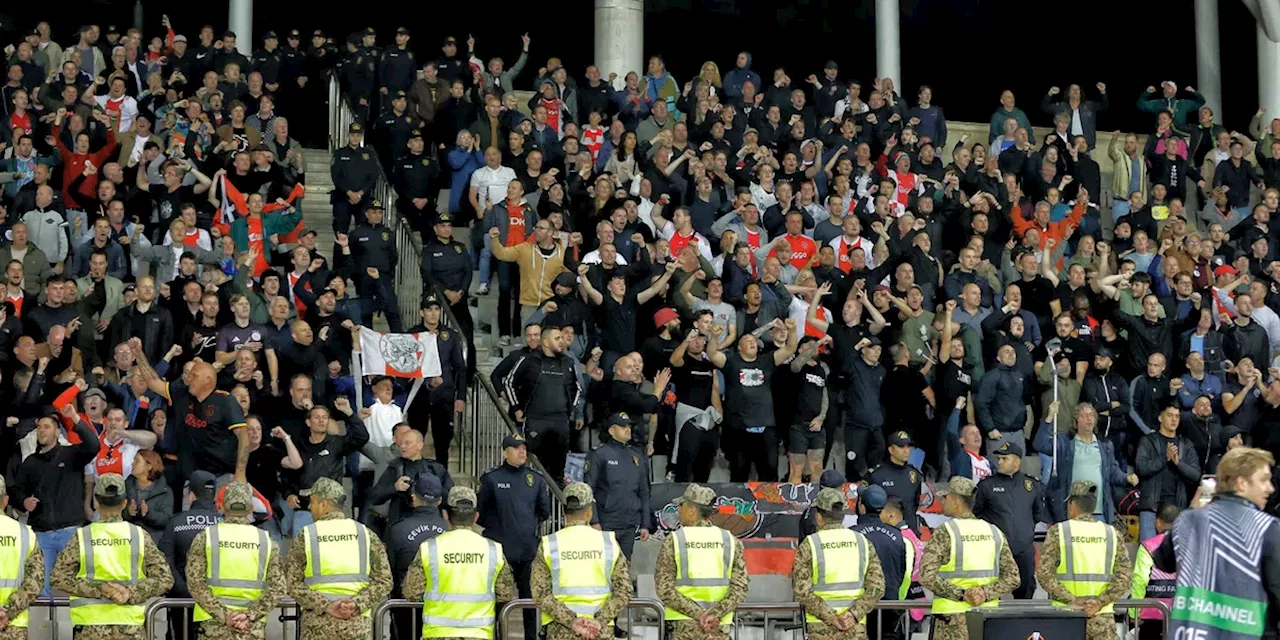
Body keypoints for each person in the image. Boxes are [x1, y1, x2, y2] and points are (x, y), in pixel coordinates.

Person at [1151, 447, 1280, 638]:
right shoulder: (1266, 527)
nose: (1271, 488)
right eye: (1263, 480)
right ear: (1241, 483)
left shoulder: (1187, 520)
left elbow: (1163, 561)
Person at [50, 473, 174, 639]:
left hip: (91, 628)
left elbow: (57, 577)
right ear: (124, 503)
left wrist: (101, 588)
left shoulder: (82, 536)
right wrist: (129, 593)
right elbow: (165, 579)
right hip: (130, 627)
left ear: (96, 501)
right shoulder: (139, 535)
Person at [401, 486, 518, 639]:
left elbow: (411, 592)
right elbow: (505, 594)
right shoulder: (493, 550)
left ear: (445, 515)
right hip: (480, 634)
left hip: (437, 634)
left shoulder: (430, 548)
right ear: (476, 516)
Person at [284, 478, 392, 640]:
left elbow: (291, 583)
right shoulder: (365, 534)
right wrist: (356, 604)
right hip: (357, 626)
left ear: (323, 505)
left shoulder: (306, 536)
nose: (309, 507)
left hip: (317, 627)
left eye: (312, 502)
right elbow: (385, 581)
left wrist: (326, 606)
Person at [13, 401, 99, 597]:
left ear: (57, 432)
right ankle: (46, 628)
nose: (42, 431)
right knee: (42, 589)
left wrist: (75, 418)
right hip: (41, 534)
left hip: (70, 531)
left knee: (78, 585)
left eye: (47, 427)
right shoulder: (30, 463)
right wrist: (23, 502)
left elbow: (94, 445)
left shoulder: (71, 454)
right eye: (39, 427)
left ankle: (75, 627)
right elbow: (17, 492)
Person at [919, 477, 1020, 640]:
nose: (943, 501)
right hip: (986, 620)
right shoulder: (993, 531)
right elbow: (1013, 578)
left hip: (950, 621)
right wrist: (985, 593)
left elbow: (926, 575)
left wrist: (962, 594)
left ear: (955, 501)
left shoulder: (946, 531)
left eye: (945, 497)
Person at [531, 482, 633, 640]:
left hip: (561, 631)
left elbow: (540, 594)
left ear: (564, 511)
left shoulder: (549, 544)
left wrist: (572, 621)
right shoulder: (608, 542)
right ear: (589, 512)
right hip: (600, 632)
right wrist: (598, 621)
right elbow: (624, 591)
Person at [187, 482, 285, 640]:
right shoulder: (266, 541)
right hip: (251, 628)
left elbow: (195, 583)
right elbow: (278, 588)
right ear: (251, 509)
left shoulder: (206, 537)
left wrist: (224, 615)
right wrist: (250, 615)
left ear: (222, 507)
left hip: (213, 626)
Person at [1035, 481, 1133, 640]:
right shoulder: (1111, 534)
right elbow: (1125, 577)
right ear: (1094, 506)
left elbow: (1044, 574)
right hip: (1102, 619)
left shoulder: (1059, 532)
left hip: (1065, 619)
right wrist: (1099, 602)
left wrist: (1073, 600)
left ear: (1072, 504)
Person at [477, 434, 551, 640]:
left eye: (524, 448)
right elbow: (480, 513)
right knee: (499, 601)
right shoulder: (492, 479)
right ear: (504, 452)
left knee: (529, 600)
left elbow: (544, 512)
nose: (522, 452)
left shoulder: (535, 479)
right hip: (500, 553)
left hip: (527, 551)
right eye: (516, 448)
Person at [655, 484, 749, 640]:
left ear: (692, 511)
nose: (678, 510)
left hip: (684, 629)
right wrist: (713, 614)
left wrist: (699, 615)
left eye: (682, 506)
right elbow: (740, 587)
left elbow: (664, 588)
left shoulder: (675, 540)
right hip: (717, 628)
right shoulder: (730, 540)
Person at [792, 487, 884, 640]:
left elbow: (802, 591)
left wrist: (832, 618)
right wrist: (854, 615)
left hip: (821, 630)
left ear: (818, 516)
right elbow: (877, 587)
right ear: (842, 516)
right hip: (855, 630)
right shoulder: (862, 542)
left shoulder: (810, 544)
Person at [973, 440, 1049, 600]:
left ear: (1017, 461)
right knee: (991, 592)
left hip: (1023, 549)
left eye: (1004, 459)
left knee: (1026, 589)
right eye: (999, 459)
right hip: (995, 550)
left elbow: (1037, 514)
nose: (999, 462)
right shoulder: (987, 485)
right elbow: (977, 514)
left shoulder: (1031, 484)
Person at [385, 473, 448, 640]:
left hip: (405, 612)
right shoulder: (451, 531)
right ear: (440, 500)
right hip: (444, 612)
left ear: (413, 498)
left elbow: (388, 572)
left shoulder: (398, 530)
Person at [585, 413, 653, 562]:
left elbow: (644, 492)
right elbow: (589, 490)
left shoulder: (636, 456)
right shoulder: (599, 454)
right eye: (623, 426)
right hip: (606, 523)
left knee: (624, 571)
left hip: (629, 525)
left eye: (629, 426)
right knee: (604, 569)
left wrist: (645, 524)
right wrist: (594, 521)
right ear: (611, 430)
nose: (628, 429)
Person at [0, 475, 43, 638]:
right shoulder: (26, 534)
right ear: (5, 501)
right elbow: (35, 583)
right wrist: (8, 612)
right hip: (13, 626)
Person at [1130, 503, 1179, 640]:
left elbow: (1140, 580)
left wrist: (1134, 611)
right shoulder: (1189, 546)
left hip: (1151, 612)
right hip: (1180, 613)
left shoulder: (1148, 546)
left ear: (1157, 522)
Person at [867, 430, 923, 533]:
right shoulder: (877, 475)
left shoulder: (915, 475)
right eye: (901, 447)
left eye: (908, 446)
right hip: (886, 533)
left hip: (910, 532)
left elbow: (915, 503)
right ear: (891, 450)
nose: (906, 450)